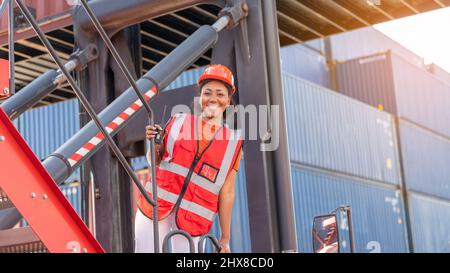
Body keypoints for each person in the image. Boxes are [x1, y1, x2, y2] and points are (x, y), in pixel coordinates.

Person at [134, 64, 243, 253]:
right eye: (208, 92)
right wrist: (154, 144)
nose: (213, 99)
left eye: (220, 94)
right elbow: (155, 162)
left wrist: (225, 237)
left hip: (193, 221)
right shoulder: (178, 121)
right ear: (200, 96)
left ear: (228, 100)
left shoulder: (233, 144)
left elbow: (227, 193)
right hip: (155, 208)